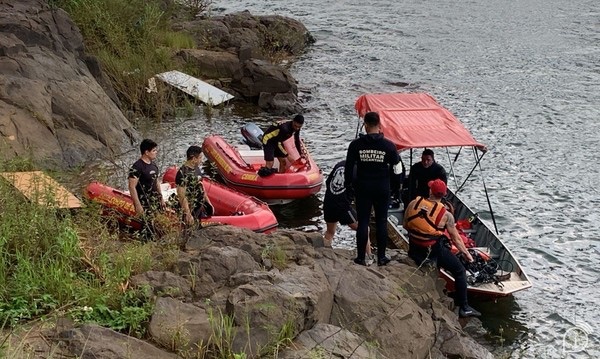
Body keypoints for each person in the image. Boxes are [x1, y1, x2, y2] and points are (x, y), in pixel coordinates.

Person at [403, 179, 481, 318]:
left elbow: (405, 226)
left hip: (414, 248)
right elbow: (456, 239)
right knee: (459, 270)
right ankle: (464, 307)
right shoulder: (446, 215)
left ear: (430, 191)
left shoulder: (413, 203)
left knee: (436, 244)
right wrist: (467, 255)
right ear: (443, 195)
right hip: (432, 251)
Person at [345, 111, 400, 266]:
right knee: (382, 221)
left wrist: (349, 185)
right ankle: (382, 257)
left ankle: (361, 257)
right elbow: (397, 167)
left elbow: (349, 168)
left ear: (365, 125)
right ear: (379, 125)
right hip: (382, 187)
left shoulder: (356, 145)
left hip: (363, 187)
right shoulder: (389, 146)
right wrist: (396, 187)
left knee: (363, 222)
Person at [323, 160, 374, 264]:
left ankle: (324, 254)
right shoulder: (359, 170)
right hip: (343, 206)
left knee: (330, 232)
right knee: (364, 229)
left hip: (328, 202)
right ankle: (368, 256)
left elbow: (328, 182)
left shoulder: (340, 164)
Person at [128, 139, 165, 236]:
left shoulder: (153, 165)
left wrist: (161, 198)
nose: (156, 152)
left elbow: (156, 182)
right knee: (147, 227)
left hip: (155, 200)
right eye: (153, 150)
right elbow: (132, 187)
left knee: (158, 225)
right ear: (146, 152)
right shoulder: (137, 167)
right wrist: (138, 205)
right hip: (144, 202)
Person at [175, 145, 214, 227]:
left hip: (199, 206)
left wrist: (209, 203)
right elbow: (181, 195)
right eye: (200, 158)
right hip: (190, 208)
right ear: (193, 159)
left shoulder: (196, 168)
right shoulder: (183, 173)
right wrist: (188, 214)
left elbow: (201, 187)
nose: (202, 160)